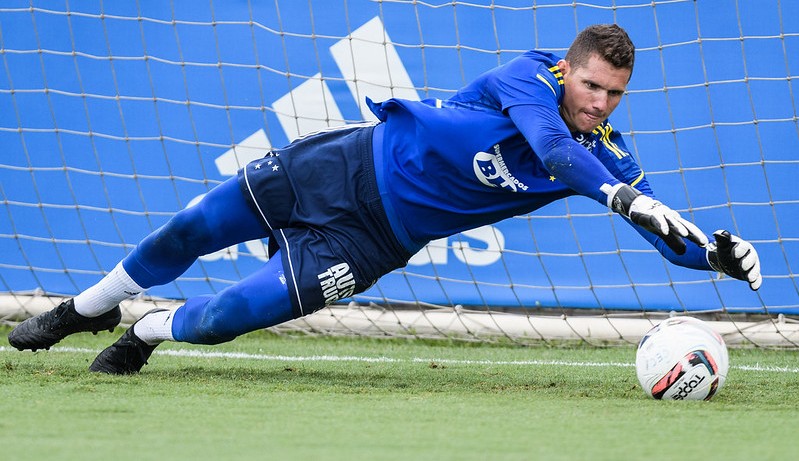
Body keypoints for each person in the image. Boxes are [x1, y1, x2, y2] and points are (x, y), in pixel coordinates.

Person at [7, 24, 761, 374]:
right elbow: (555, 149)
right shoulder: (528, 81)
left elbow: (663, 230)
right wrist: (624, 200)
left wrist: (712, 255)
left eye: (614, 95)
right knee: (191, 228)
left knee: (221, 319)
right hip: (339, 165)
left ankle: (147, 330)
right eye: (590, 84)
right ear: (567, 70)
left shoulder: (609, 157)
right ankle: (89, 306)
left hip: (369, 243)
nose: (598, 103)